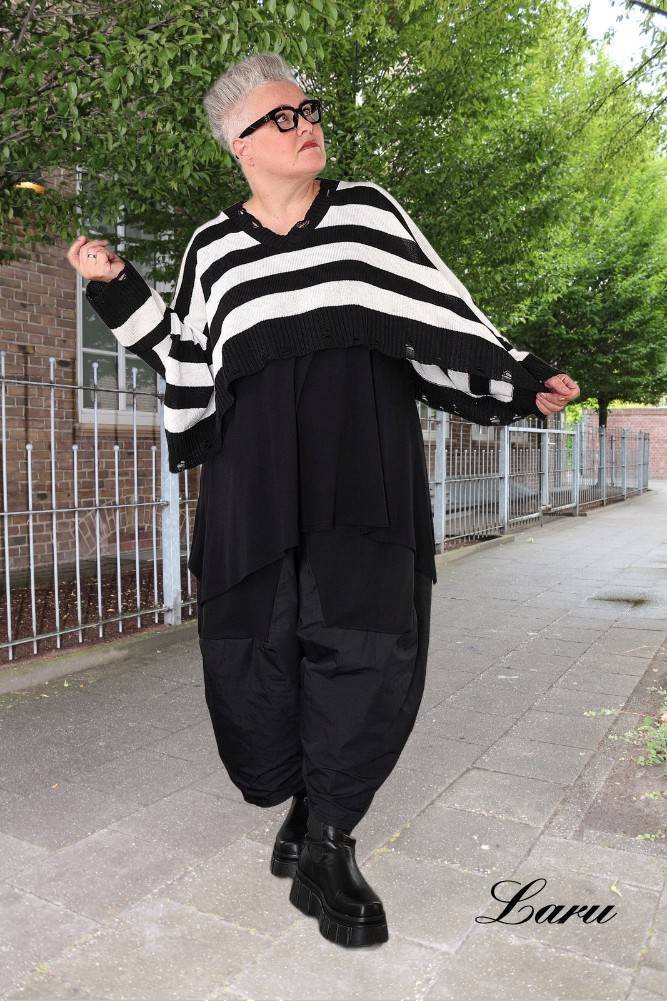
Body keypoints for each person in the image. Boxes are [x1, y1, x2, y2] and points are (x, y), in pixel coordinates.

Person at [65, 52, 579, 949]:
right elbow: (187, 360)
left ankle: (330, 842)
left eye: (308, 110)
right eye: (282, 117)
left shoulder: (367, 212)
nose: (305, 124)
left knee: (366, 649)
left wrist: (518, 377)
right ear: (239, 144)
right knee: (259, 655)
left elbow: (441, 314)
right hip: (254, 491)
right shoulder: (212, 248)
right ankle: (302, 803)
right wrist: (115, 288)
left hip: (363, 477)